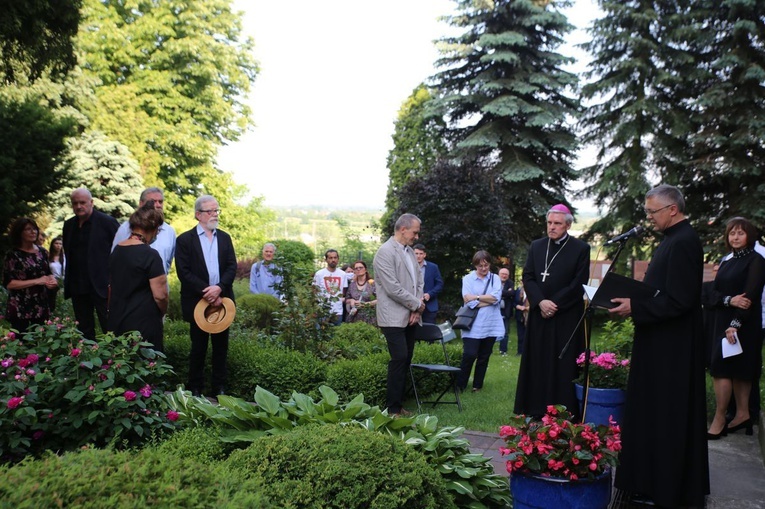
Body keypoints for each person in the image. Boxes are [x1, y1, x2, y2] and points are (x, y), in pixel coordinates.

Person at [609, 184, 709, 508]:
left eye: (652, 212)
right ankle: (649, 480)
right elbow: (661, 291)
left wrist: (635, 307)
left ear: (672, 210)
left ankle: (666, 487)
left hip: (672, 351)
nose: (649, 218)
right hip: (659, 344)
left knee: (667, 417)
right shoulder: (672, 240)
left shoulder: (684, 242)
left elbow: (680, 300)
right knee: (652, 414)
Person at [514, 203, 590, 419]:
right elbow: (528, 276)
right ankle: (534, 409)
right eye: (549, 223)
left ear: (567, 225)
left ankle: (563, 412)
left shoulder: (581, 249)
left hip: (565, 316)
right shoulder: (537, 246)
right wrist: (540, 302)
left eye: (557, 223)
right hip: (540, 314)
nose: (552, 227)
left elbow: (578, 283)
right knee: (537, 361)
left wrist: (553, 304)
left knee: (561, 364)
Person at [705, 218, 765, 439]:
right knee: (721, 368)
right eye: (732, 233)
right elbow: (713, 294)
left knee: (741, 370)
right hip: (722, 321)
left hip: (744, 324)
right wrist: (729, 300)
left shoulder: (756, 260)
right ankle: (722, 417)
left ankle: (741, 415)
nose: (736, 237)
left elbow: (750, 296)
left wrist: (735, 325)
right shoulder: (727, 261)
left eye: (740, 233)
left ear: (749, 235)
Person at [175, 195, 237, 397]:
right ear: (198, 215)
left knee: (221, 348)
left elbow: (231, 267)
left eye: (216, 211)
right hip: (197, 302)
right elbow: (184, 272)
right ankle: (195, 388)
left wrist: (219, 288)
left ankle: (219, 388)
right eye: (210, 211)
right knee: (198, 347)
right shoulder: (185, 240)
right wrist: (208, 292)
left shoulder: (225, 238)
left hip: (223, 300)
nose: (214, 215)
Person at [373, 213, 425, 416]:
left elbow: (419, 281)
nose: (417, 237)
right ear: (403, 229)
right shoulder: (385, 252)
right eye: (415, 232)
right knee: (399, 357)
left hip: (411, 315)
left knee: (406, 359)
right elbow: (392, 288)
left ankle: (399, 405)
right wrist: (417, 306)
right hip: (392, 316)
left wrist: (416, 308)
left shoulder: (411, 252)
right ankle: (392, 408)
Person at [108, 203, 168, 351]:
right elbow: (160, 296)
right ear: (152, 228)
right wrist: (163, 312)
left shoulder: (117, 251)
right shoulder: (150, 255)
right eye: (158, 230)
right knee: (146, 367)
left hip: (118, 320)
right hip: (143, 324)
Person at [62, 188, 120, 340]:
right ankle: (87, 361)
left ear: (91, 203)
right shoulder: (69, 225)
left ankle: (116, 361)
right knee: (84, 331)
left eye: (83, 202)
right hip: (78, 286)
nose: (79, 206)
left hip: (102, 286)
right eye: (75, 203)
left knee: (110, 328)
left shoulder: (107, 223)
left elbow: (119, 252)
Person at [457, 251, 504, 392]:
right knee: (469, 354)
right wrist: (487, 299)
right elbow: (467, 301)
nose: (483, 269)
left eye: (486, 265)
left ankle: (477, 385)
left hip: (491, 323)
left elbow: (496, 298)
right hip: (473, 324)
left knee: (484, 356)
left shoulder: (495, 278)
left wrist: (476, 297)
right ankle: (460, 385)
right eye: (480, 266)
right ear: (475, 265)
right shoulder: (468, 278)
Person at [2, 218, 58, 331]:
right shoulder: (13, 255)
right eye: (28, 229)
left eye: (35, 229)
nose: (33, 232)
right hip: (21, 307)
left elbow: (47, 273)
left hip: (41, 305)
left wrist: (52, 280)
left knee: (42, 343)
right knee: (23, 343)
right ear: (19, 233)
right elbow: (9, 283)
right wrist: (37, 281)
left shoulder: (42, 252)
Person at [111, 187, 176, 275]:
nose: (158, 205)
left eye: (160, 202)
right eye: (153, 201)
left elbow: (168, 262)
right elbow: (115, 259)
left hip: (159, 285)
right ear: (141, 204)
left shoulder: (169, 231)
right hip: (132, 285)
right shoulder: (126, 228)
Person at [313, 249, 347, 326]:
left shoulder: (343, 274)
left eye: (335, 258)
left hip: (337, 311)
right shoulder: (319, 274)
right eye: (330, 258)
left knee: (337, 335)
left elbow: (344, 292)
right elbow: (314, 291)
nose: (333, 260)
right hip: (322, 311)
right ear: (326, 260)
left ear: (338, 259)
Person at [413, 244, 443, 324]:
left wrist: (430, 294)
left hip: (430, 306)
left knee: (429, 333)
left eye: (421, 254)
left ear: (424, 255)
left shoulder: (433, 267)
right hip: (413, 305)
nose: (418, 256)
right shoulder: (409, 268)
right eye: (416, 253)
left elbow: (439, 285)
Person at [345, 260, 377, 325]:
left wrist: (365, 304)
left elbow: (380, 300)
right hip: (354, 318)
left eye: (361, 267)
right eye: (356, 268)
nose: (358, 269)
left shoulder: (372, 284)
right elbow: (347, 299)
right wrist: (351, 300)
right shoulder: (352, 285)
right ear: (354, 271)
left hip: (369, 318)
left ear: (365, 269)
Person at [497, 267, 513, 355]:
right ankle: (487, 350)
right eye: (502, 274)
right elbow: (493, 293)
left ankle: (503, 351)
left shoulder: (511, 283)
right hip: (494, 310)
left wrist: (500, 292)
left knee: (505, 332)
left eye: (506, 274)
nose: (504, 276)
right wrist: (506, 292)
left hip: (505, 311)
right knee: (491, 330)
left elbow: (512, 293)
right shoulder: (494, 282)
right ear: (499, 274)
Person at [47, 236, 65, 313]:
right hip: (52, 283)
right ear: (52, 245)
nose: (58, 245)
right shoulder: (48, 257)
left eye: (60, 244)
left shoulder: (65, 257)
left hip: (63, 282)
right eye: (56, 243)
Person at [513, 281, 528, 355]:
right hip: (520, 315)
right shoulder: (518, 290)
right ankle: (520, 351)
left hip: (529, 315)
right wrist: (517, 306)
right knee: (520, 334)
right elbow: (514, 302)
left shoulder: (532, 290)